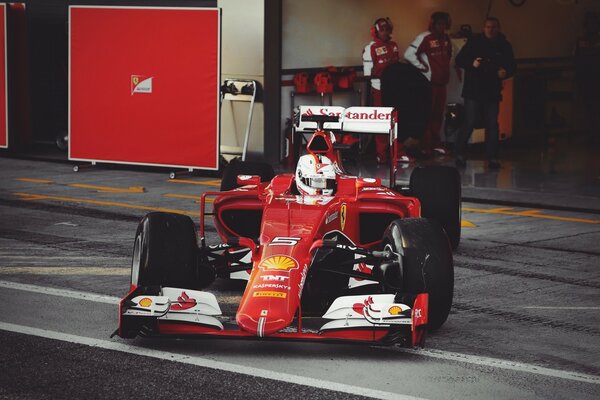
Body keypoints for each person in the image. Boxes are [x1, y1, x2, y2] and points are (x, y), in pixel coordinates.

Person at [454, 17, 515, 169]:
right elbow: (459, 59)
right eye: (487, 27)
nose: (490, 29)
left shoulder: (504, 45)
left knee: (492, 125)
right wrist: (472, 63)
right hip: (474, 89)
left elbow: (512, 65)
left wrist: (505, 72)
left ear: (498, 28)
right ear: (483, 28)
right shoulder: (474, 42)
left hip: (492, 89)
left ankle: (493, 157)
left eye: (493, 27)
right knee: (469, 122)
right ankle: (459, 154)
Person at [404, 11, 452, 156]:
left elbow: (449, 56)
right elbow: (408, 55)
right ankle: (424, 146)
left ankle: (435, 144)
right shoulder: (424, 37)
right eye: (439, 23)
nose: (441, 26)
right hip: (429, 83)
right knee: (427, 114)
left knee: (438, 114)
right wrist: (422, 67)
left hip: (442, 83)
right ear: (433, 24)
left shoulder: (446, 38)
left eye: (444, 24)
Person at [362, 17, 408, 163]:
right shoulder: (370, 48)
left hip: (396, 87)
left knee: (398, 120)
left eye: (387, 29)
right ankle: (380, 154)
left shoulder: (394, 45)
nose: (385, 33)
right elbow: (367, 74)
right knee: (381, 121)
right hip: (379, 87)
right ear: (376, 31)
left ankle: (398, 152)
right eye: (382, 30)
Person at [574, 12, 600, 143]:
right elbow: (577, 61)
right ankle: (591, 135)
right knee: (588, 109)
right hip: (586, 80)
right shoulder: (581, 42)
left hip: (596, 79)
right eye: (589, 23)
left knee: (595, 109)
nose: (592, 26)